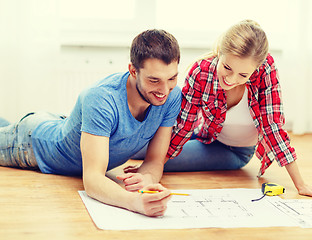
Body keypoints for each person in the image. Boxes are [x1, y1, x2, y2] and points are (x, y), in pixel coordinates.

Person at [132, 20, 312, 199]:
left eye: (243, 75)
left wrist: (301, 185)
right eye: (227, 68)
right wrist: (152, 164)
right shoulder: (202, 71)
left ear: (256, 69)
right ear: (219, 53)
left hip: (233, 151)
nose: (231, 80)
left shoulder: (266, 71)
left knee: (150, 155)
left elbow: (273, 127)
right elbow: (184, 125)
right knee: (139, 147)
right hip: (203, 132)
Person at [0, 29, 182, 217]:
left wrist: (147, 179)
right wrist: (134, 202)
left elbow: (155, 160)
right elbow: (93, 179)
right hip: (30, 143)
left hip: (58, 124)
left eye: (172, 78)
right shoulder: (101, 98)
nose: (164, 90)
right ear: (133, 71)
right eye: (154, 80)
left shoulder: (172, 96)